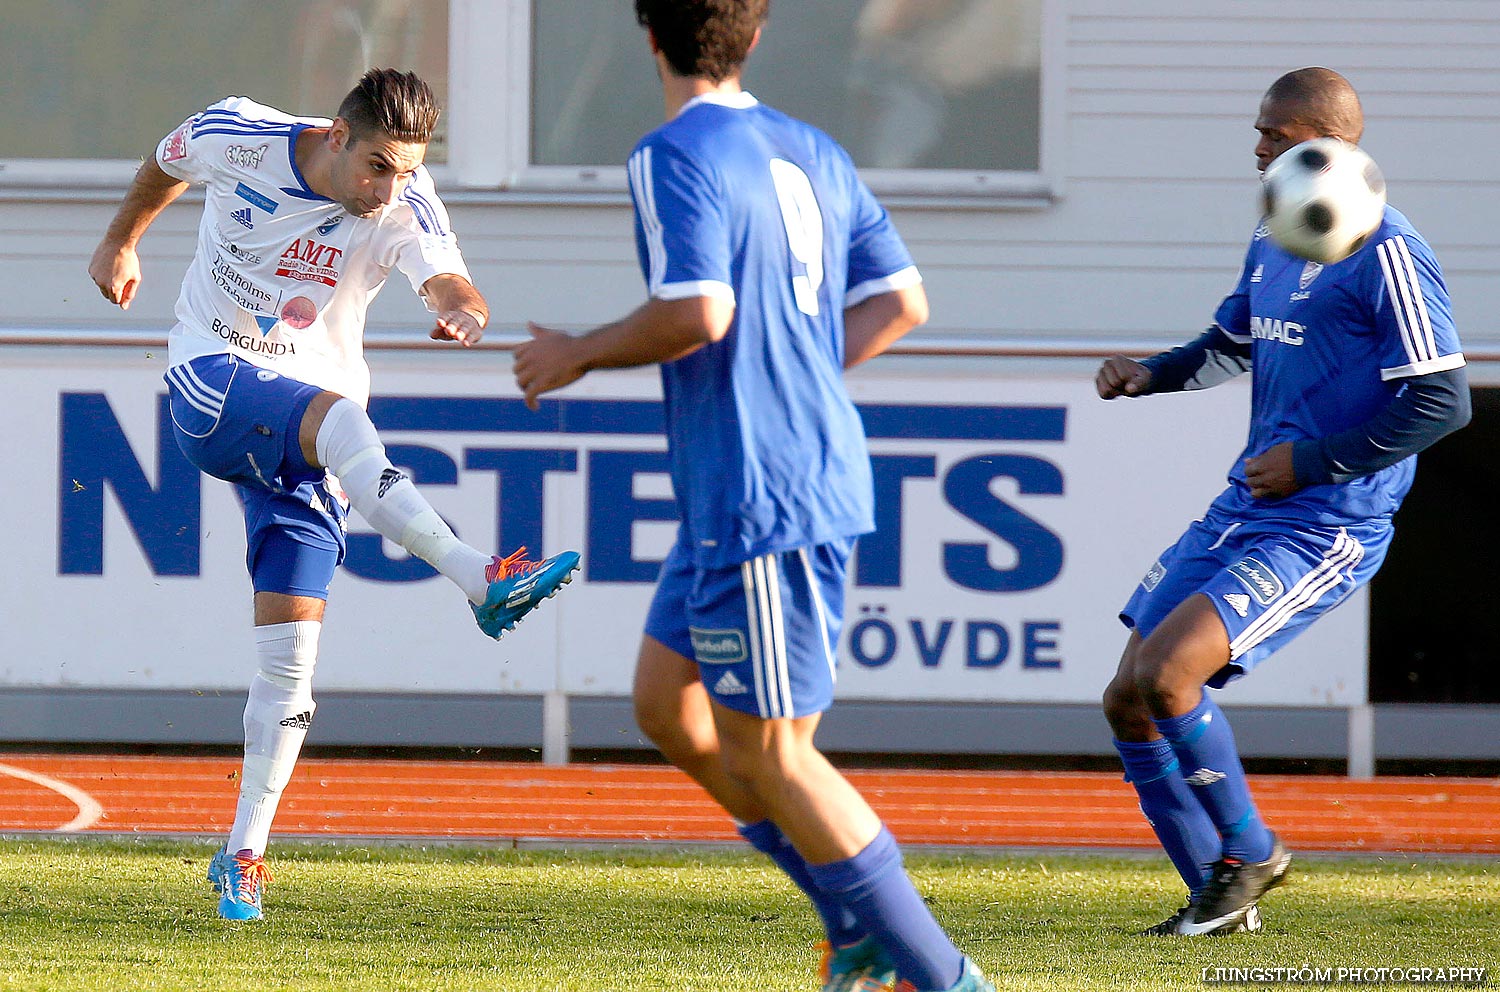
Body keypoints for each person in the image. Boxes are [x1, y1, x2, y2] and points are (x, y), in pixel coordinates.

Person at [512, 3, 991, 991]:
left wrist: (577, 351)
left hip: (766, 489)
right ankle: (851, 923)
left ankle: (945, 976)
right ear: (755, 38)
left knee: (775, 752)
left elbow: (700, 310)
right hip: (739, 491)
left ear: (649, 39)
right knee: (665, 705)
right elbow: (902, 299)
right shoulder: (810, 146)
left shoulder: (669, 153)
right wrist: (805, 371)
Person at [87, 68, 580, 921]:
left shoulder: (405, 203)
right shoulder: (237, 132)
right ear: (337, 136)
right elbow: (164, 164)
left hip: (304, 429)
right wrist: (120, 241)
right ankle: (479, 576)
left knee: (291, 664)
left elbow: (447, 277)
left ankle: (242, 855)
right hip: (214, 378)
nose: (392, 187)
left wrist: (463, 305)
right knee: (347, 422)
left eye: (408, 170)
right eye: (379, 167)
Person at [1096, 67, 1469, 937]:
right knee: (1125, 696)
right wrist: (1149, 375)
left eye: (1273, 131)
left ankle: (1251, 852)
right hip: (1246, 506)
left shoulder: (1388, 249)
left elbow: (1442, 401)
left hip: (1328, 522)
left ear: (1325, 141)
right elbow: (1230, 345)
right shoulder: (1278, 232)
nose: (1257, 146)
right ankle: (1218, 903)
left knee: (1168, 674)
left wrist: (1313, 462)